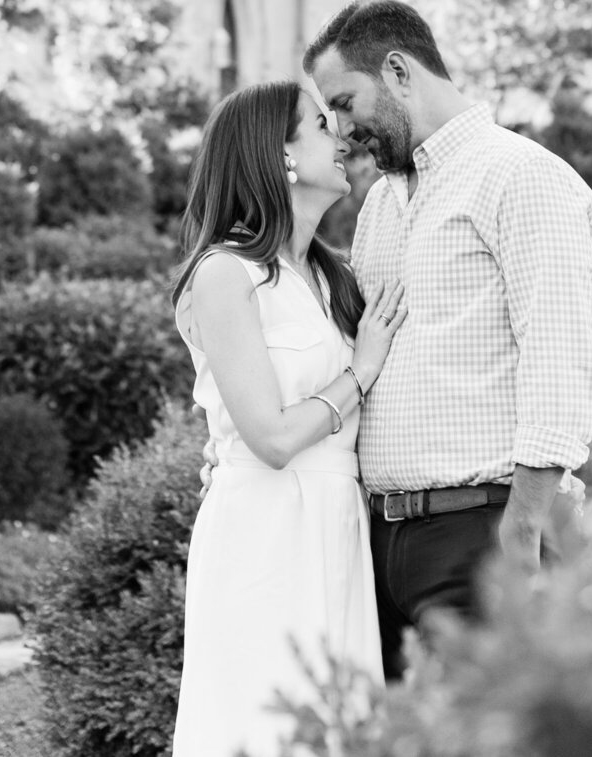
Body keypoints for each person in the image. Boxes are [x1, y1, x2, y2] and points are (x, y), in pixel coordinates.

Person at [306, 0, 592, 679]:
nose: (343, 132)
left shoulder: (524, 176)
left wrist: (523, 528)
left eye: (346, 102)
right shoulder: (381, 201)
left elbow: (558, 364)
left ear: (399, 70)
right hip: (380, 543)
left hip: (482, 536)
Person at [170, 81, 406, 757]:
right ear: (281, 158)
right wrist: (358, 372)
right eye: (322, 126)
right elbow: (269, 437)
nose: (344, 138)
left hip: (337, 525)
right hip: (265, 530)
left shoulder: (336, 279)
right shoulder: (224, 274)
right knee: (262, 728)